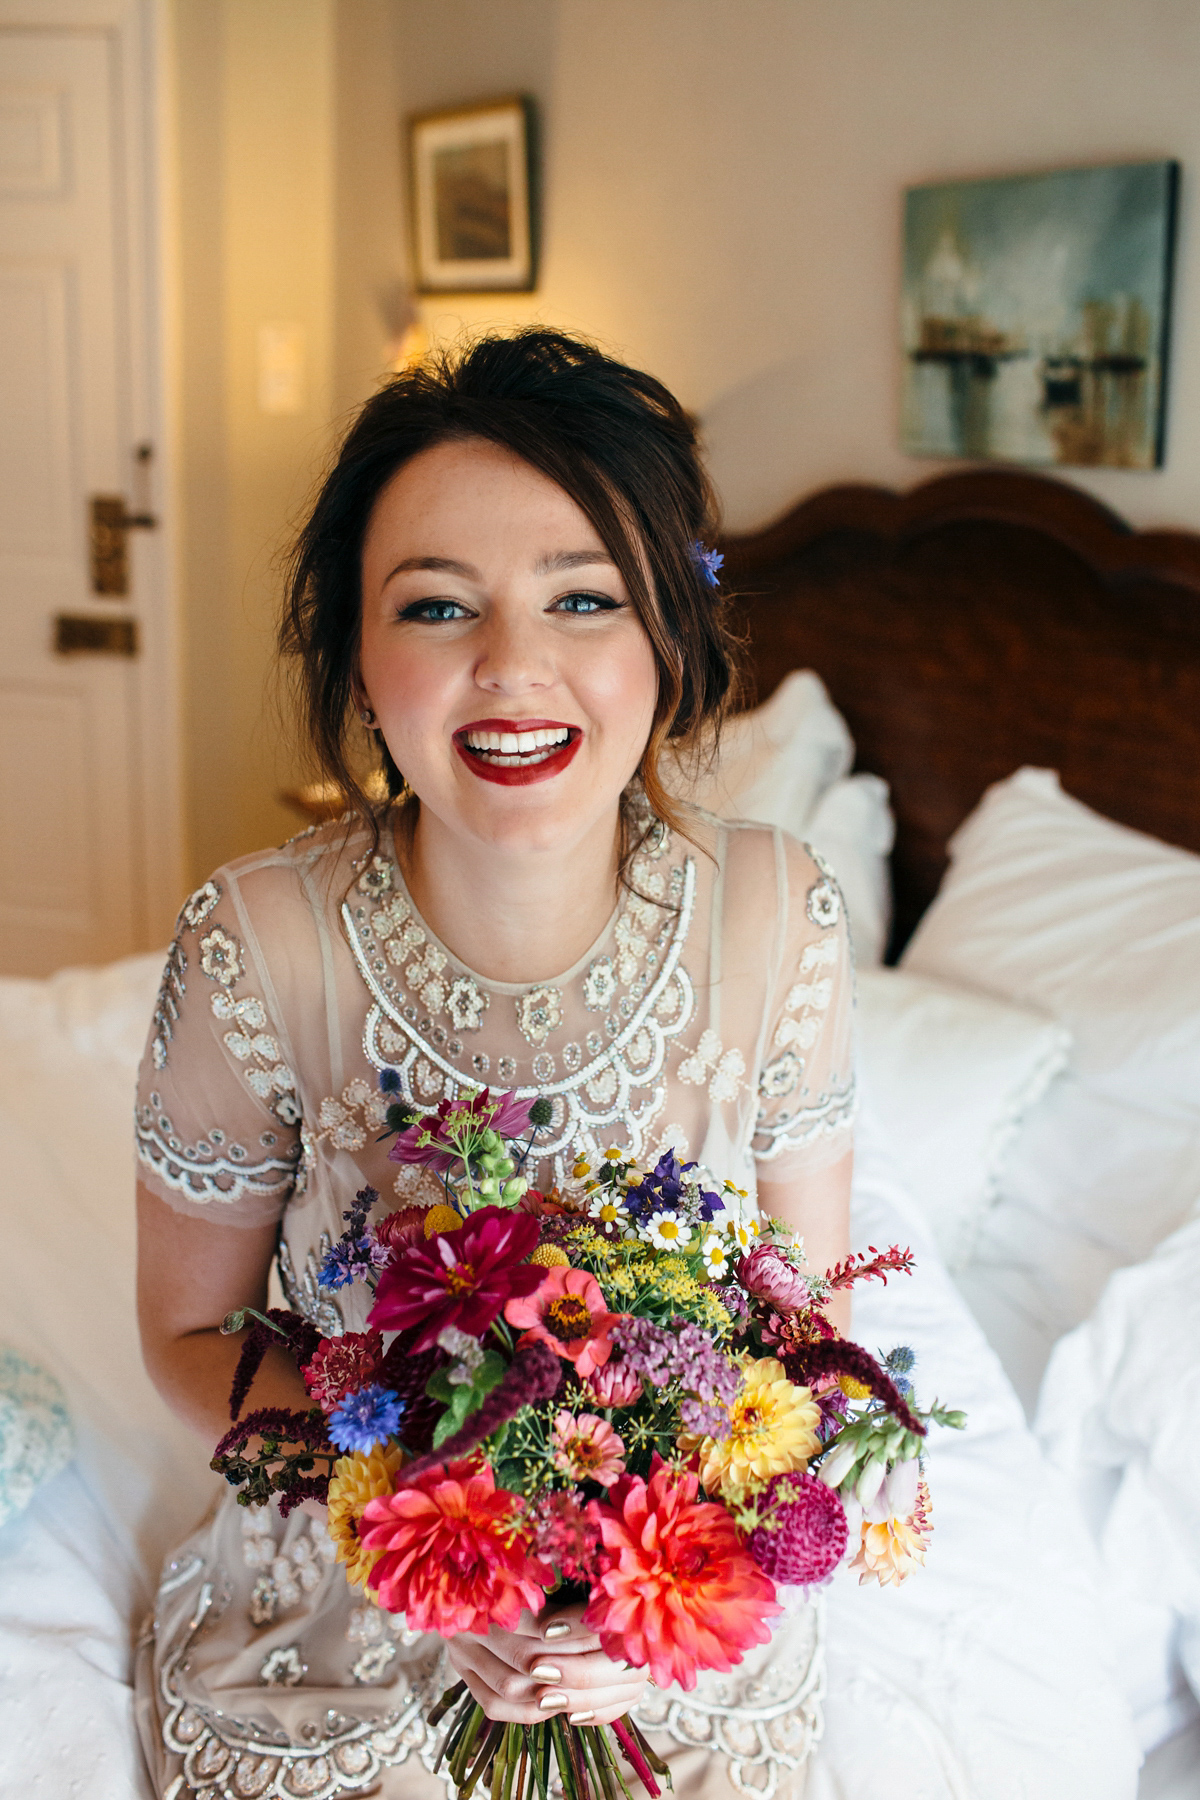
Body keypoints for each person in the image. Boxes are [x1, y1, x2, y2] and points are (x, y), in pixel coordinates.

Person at [133, 328, 855, 1800]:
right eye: (440, 606)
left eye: (583, 597)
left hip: (663, 1595)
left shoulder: (782, 914)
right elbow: (190, 1336)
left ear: (669, 640)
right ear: (356, 652)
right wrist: (445, 1523)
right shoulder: (255, 939)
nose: (512, 669)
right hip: (360, 1566)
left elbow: (810, 1328)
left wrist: (639, 1578)